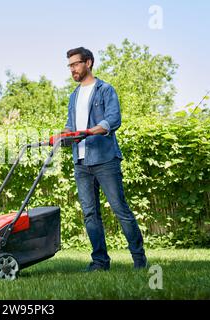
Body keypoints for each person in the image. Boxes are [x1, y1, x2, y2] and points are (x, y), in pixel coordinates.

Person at [62, 46, 147, 271]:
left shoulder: (105, 90)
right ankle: (100, 261)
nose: (72, 69)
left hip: (105, 159)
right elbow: (71, 127)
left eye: (76, 64)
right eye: (70, 66)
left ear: (88, 62)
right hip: (80, 162)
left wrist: (89, 131)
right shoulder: (73, 96)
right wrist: (64, 136)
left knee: (120, 209)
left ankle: (139, 260)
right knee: (90, 214)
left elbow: (113, 120)